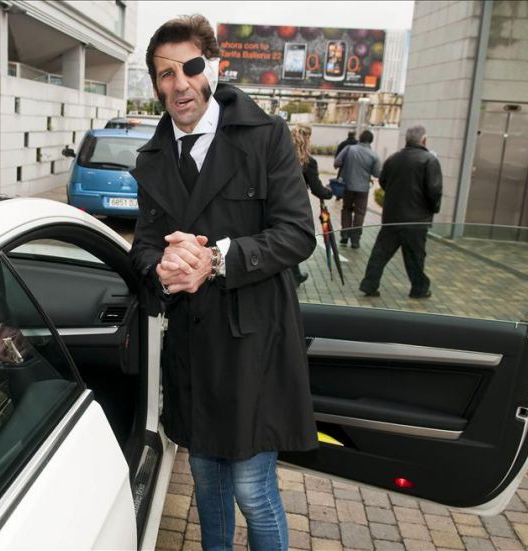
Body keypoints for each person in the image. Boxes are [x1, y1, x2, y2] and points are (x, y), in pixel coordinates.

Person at [129, 15, 318, 551]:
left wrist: (215, 260)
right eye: (165, 74)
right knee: (206, 485)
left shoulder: (266, 137)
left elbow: (297, 234)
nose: (180, 84)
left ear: (212, 66)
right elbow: (143, 247)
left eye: (190, 67)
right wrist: (162, 268)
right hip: (192, 349)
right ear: (156, 85)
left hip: (254, 345)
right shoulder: (151, 159)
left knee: (253, 491)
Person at [359, 125, 443, 299]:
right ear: (424, 140)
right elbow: (434, 190)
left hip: (392, 216)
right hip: (416, 219)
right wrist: (433, 208)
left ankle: (369, 284)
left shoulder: (393, 159)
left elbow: (383, 181)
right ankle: (419, 289)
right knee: (415, 256)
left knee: (380, 253)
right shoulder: (429, 160)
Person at [289, 123, 333, 285]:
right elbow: (317, 189)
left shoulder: (281, 155)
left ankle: (294, 274)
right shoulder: (308, 162)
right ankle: (294, 276)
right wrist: (329, 192)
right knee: (293, 240)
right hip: (295, 207)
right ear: (306, 138)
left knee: (283, 239)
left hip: (275, 204)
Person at [334, 129, 382, 248]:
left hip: (347, 186)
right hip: (363, 189)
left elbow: (337, 162)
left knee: (346, 209)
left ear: (360, 138)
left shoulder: (349, 149)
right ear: (371, 141)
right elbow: (377, 174)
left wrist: (347, 166)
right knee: (360, 213)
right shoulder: (374, 156)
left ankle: (345, 235)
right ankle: (355, 240)